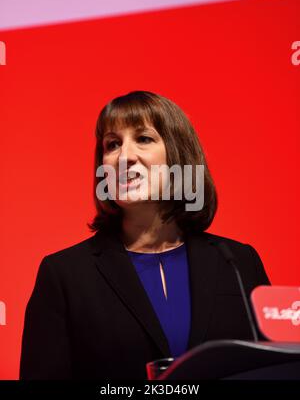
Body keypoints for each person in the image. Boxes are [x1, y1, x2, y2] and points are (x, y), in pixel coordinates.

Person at [20, 91, 270, 380]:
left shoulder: (239, 262)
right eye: (112, 144)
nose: (124, 157)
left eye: (143, 139)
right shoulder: (63, 274)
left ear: (178, 154)